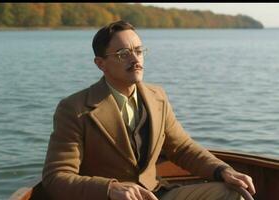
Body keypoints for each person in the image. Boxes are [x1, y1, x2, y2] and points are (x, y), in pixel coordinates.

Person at [40, 20, 255, 200]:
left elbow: (182, 148)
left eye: (139, 51)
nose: (136, 59)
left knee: (233, 193)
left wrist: (222, 170)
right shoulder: (74, 109)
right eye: (124, 53)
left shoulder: (157, 96)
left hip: (157, 194)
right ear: (100, 63)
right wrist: (111, 188)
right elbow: (56, 177)